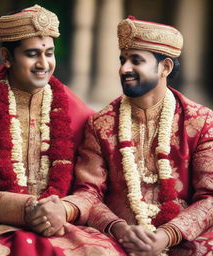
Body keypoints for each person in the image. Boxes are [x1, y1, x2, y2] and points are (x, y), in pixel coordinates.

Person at [42, 16, 213, 255]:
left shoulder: (201, 121)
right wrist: (121, 230)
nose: (124, 69)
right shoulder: (101, 123)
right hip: (118, 239)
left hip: (185, 237)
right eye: (122, 60)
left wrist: (166, 236)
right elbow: (89, 192)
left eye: (136, 61)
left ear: (165, 67)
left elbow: (210, 198)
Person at [0, 4, 107, 255]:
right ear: (6, 57)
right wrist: (25, 209)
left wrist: (63, 210)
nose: (43, 63)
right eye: (32, 54)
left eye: (49, 53)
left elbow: (92, 188)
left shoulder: (80, 115)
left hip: (62, 223)